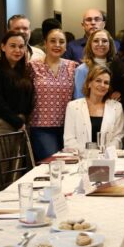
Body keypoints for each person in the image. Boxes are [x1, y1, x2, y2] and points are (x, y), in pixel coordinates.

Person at [28, 26, 78, 160]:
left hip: (69, 127)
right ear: (45, 44)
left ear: (66, 46)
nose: (57, 45)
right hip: (41, 126)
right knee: (52, 163)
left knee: (71, 164)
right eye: (52, 41)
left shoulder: (73, 67)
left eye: (61, 42)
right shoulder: (32, 66)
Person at [63, 65, 124, 152]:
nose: (102, 85)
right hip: (80, 156)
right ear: (89, 83)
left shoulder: (116, 107)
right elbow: (69, 140)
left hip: (107, 156)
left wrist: (104, 153)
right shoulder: (73, 106)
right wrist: (89, 154)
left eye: (106, 83)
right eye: (98, 81)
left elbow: (118, 137)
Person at [0, 30, 34, 135]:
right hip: (2, 124)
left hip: (22, 123)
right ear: (3, 47)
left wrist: (24, 119)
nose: (17, 50)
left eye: (21, 46)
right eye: (12, 46)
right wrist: (17, 122)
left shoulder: (24, 69)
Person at [72, 28, 117, 99]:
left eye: (104, 41)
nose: (100, 44)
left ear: (110, 44)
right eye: (96, 41)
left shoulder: (116, 67)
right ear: (90, 44)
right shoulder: (82, 70)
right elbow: (79, 98)